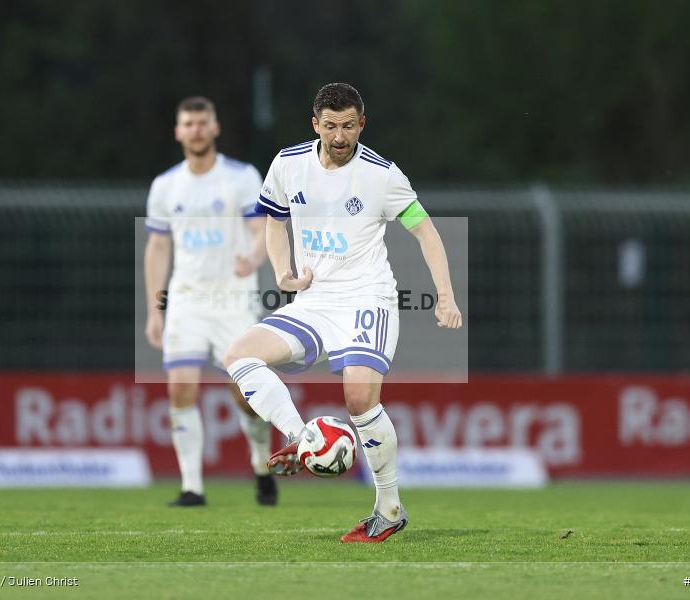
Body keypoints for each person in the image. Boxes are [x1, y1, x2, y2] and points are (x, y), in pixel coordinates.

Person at [224, 83, 462, 542]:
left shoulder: (382, 175)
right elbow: (274, 219)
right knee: (239, 354)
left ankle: (389, 509)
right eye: (330, 125)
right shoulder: (288, 163)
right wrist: (283, 273)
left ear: (362, 124)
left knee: (358, 400)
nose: (339, 135)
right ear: (315, 124)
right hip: (315, 301)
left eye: (348, 125)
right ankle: (302, 436)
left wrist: (446, 296)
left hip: (367, 299)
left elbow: (427, 233)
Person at [145, 96, 277, 507]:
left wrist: (253, 256)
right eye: (189, 123)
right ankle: (192, 487)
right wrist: (155, 308)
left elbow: (262, 229)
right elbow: (158, 248)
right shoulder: (166, 186)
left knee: (244, 393)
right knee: (180, 387)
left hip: (233, 300)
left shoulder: (240, 177)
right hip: (186, 300)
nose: (196, 130)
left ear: (215, 128)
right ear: (178, 131)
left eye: (203, 122)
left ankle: (260, 462)